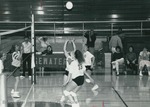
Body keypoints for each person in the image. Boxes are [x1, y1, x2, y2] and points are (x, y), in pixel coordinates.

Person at [60, 39, 76, 104]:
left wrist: (72, 42)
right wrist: (66, 42)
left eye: (72, 52)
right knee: (64, 84)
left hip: (72, 73)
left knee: (70, 86)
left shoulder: (74, 58)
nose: (71, 52)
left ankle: (70, 98)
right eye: (71, 52)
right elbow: (64, 49)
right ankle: (63, 96)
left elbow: (75, 48)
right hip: (67, 72)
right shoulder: (68, 56)